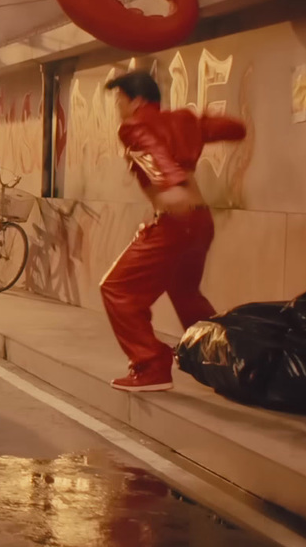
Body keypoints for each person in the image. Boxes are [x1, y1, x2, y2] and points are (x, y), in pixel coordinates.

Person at [100, 72, 245, 392]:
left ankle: (151, 365)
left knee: (117, 290)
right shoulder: (182, 120)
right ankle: (223, 362)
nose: (117, 108)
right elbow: (236, 129)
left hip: (175, 220)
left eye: (119, 100)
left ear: (136, 101)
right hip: (200, 221)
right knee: (186, 294)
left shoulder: (133, 126)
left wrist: (171, 183)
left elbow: (153, 150)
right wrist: (201, 120)